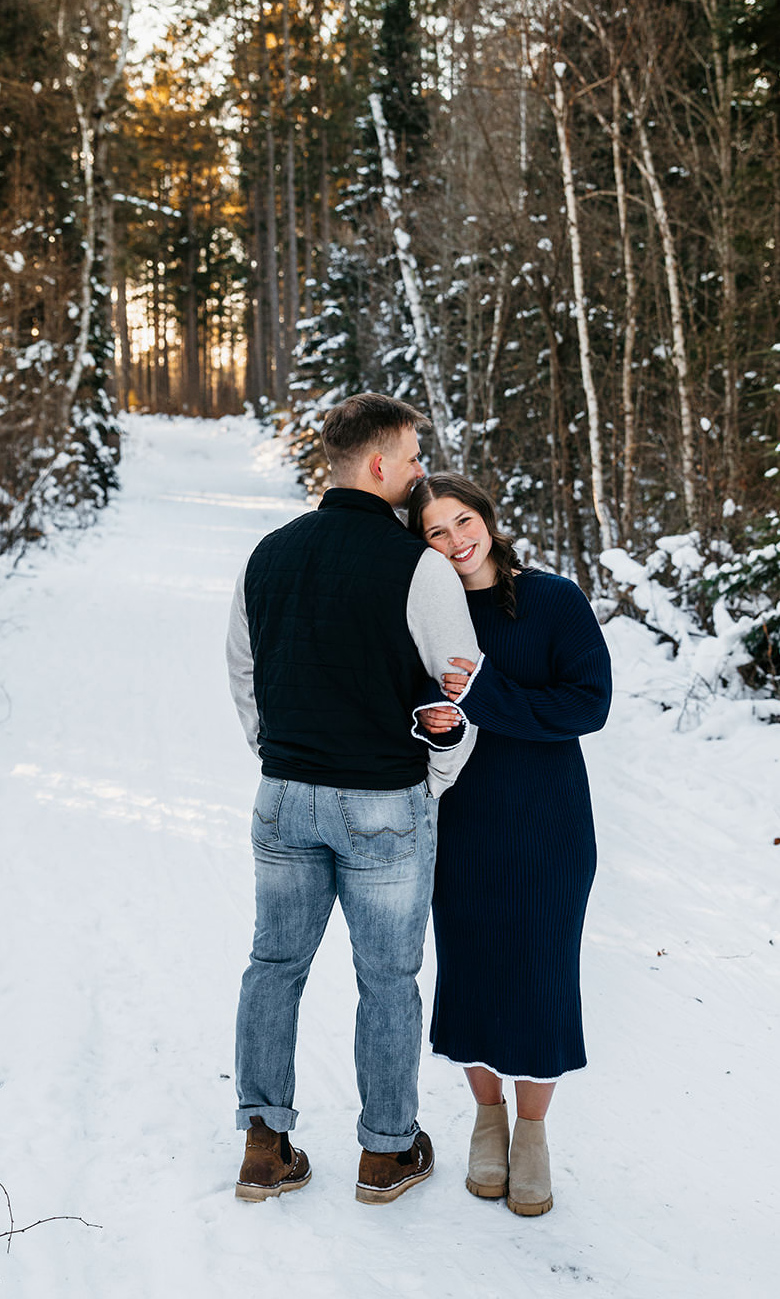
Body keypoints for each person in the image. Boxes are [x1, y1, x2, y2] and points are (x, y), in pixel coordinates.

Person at [225, 394, 483, 1204]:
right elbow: (459, 684)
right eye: (410, 456)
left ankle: (264, 1149)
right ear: (378, 464)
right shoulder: (421, 566)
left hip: (283, 795)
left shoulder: (266, 554)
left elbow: (243, 673)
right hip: (381, 799)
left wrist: (280, 757)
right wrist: (431, 779)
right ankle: (385, 1153)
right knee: (387, 979)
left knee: (273, 966)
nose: (417, 471)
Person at [407, 472, 612, 1217]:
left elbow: (588, 704)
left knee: (539, 981)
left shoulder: (553, 599)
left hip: (549, 824)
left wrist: (486, 693)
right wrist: (432, 719)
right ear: (421, 544)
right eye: (435, 531)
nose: (456, 540)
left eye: (464, 521)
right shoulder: (426, 614)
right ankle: (485, 1121)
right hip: (460, 821)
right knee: (472, 975)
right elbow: (412, 701)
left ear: (487, 520)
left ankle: (531, 1136)